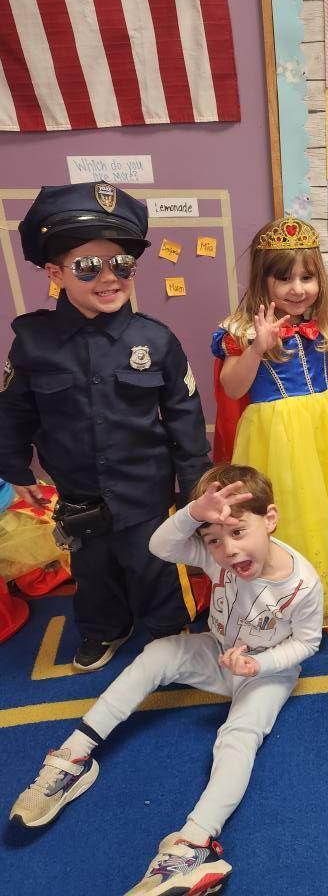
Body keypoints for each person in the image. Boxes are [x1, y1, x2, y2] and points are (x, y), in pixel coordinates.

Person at [10, 463, 323, 896]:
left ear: (269, 519)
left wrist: (260, 667)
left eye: (238, 532)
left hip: (268, 671)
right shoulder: (215, 554)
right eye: (214, 540)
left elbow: (307, 644)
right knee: (158, 653)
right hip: (217, 653)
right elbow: (161, 543)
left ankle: (192, 847)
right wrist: (195, 512)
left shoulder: (304, 583)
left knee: (238, 736)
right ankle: (74, 757)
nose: (228, 550)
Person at [0, 182, 211, 671]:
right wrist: (16, 472)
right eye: (87, 266)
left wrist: (195, 483)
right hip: (78, 495)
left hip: (146, 491)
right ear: (55, 273)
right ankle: (104, 630)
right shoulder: (33, 342)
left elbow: (184, 413)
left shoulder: (155, 340)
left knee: (155, 565)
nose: (108, 277)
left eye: (122, 265)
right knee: (92, 571)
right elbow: (13, 411)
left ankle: (166, 633)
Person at [211, 215, 328, 630]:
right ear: (263, 281)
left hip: (324, 426)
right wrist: (257, 348)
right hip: (276, 432)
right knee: (292, 505)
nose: (298, 289)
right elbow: (230, 386)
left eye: (308, 277)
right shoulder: (241, 329)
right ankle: (287, 591)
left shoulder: (317, 324)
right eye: (284, 279)